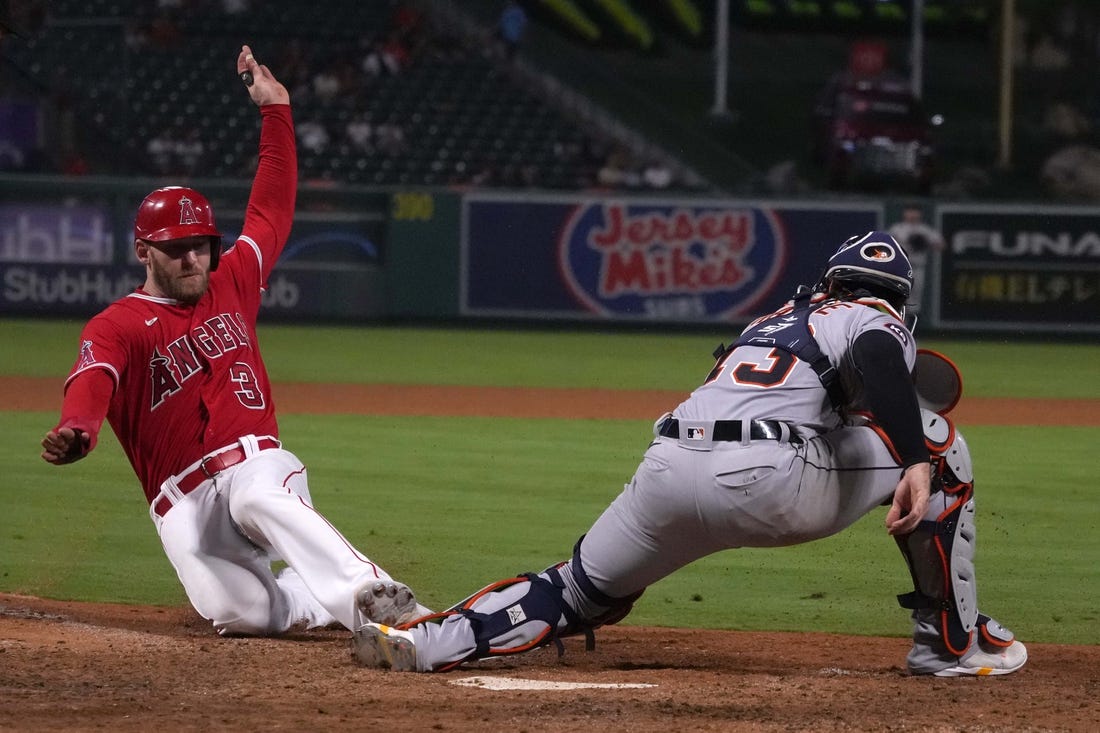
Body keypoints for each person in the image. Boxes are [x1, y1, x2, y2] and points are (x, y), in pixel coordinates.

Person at [353, 231, 1027, 678]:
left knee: (577, 589)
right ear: (894, 298)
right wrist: (911, 457)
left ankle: (426, 640)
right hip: (768, 482)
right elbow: (879, 357)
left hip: (668, 470)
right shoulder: (873, 318)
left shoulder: (768, 323)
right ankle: (950, 642)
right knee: (941, 444)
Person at [40, 45, 428, 638]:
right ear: (144, 251)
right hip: (184, 508)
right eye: (176, 247)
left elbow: (269, 211)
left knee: (257, 498)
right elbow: (95, 379)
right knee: (244, 613)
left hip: (256, 465)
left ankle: (384, 605)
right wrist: (80, 427)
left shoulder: (234, 280)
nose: (193, 255)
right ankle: (309, 597)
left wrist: (278, 112)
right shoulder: (117, 324)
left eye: (200, 242)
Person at [888, 206, 944, 317]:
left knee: (915, 300)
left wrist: (926, 242)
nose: (912, 214)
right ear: (905, 213)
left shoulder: (924, 230)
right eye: (909, 211)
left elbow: (941, 245)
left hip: (917, 267)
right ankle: (898, 323)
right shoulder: (897, 228)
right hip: (900, 267)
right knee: (899, 295)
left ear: (919, 214)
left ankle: (913, 327)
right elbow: (886, 244)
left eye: (915, 212)